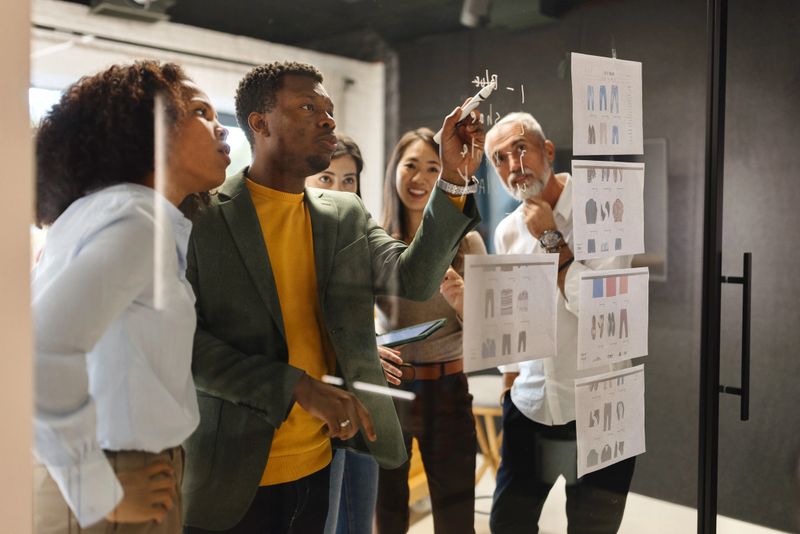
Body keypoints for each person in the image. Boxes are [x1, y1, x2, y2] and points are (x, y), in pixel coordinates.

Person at [182, 61, 484, 534]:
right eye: (308, 107)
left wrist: (454, 180)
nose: (328, 120)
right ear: (260, 123)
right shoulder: (202, 215)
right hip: (231, 477)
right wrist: (295, 386)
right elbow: (186, 346)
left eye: (329, 109)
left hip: (320, 462)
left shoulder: (344, 214)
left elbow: (416, 280)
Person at [31, 61, 229, 533]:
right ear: (149, 129)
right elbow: (39, 351)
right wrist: (95, 490)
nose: (220, 126)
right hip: (120, 481)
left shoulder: (103, 211)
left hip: (113, 472)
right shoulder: (140, 219)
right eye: (200, 112)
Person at [485, 112, 635, 534]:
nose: (513, 165)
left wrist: (553, 241)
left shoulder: (604, 212)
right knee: (507, 526)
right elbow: (511, 314)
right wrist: (509, 384)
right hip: (529, 406)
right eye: (499, 158)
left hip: (599, 410)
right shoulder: (506, 232)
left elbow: (607, 313)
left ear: (547, 151)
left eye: (520, 148)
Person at [374, 128, 486, 534]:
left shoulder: (468, 243)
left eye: (433, 168)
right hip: (390, 390)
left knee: (456, 519)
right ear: (394, 172)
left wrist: (461, 300)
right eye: (411, 166)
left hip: (449, 387)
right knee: (387, 515)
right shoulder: (376, 241)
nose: (420, 178)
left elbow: (487, 331)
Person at [305, 133, 399, 534]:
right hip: (313, 402)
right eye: (326, 178)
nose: (339, 190)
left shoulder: (361, 230)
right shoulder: (292, 233)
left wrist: (368, 346)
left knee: (358, 520)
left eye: (349, 180)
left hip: (361, 395)